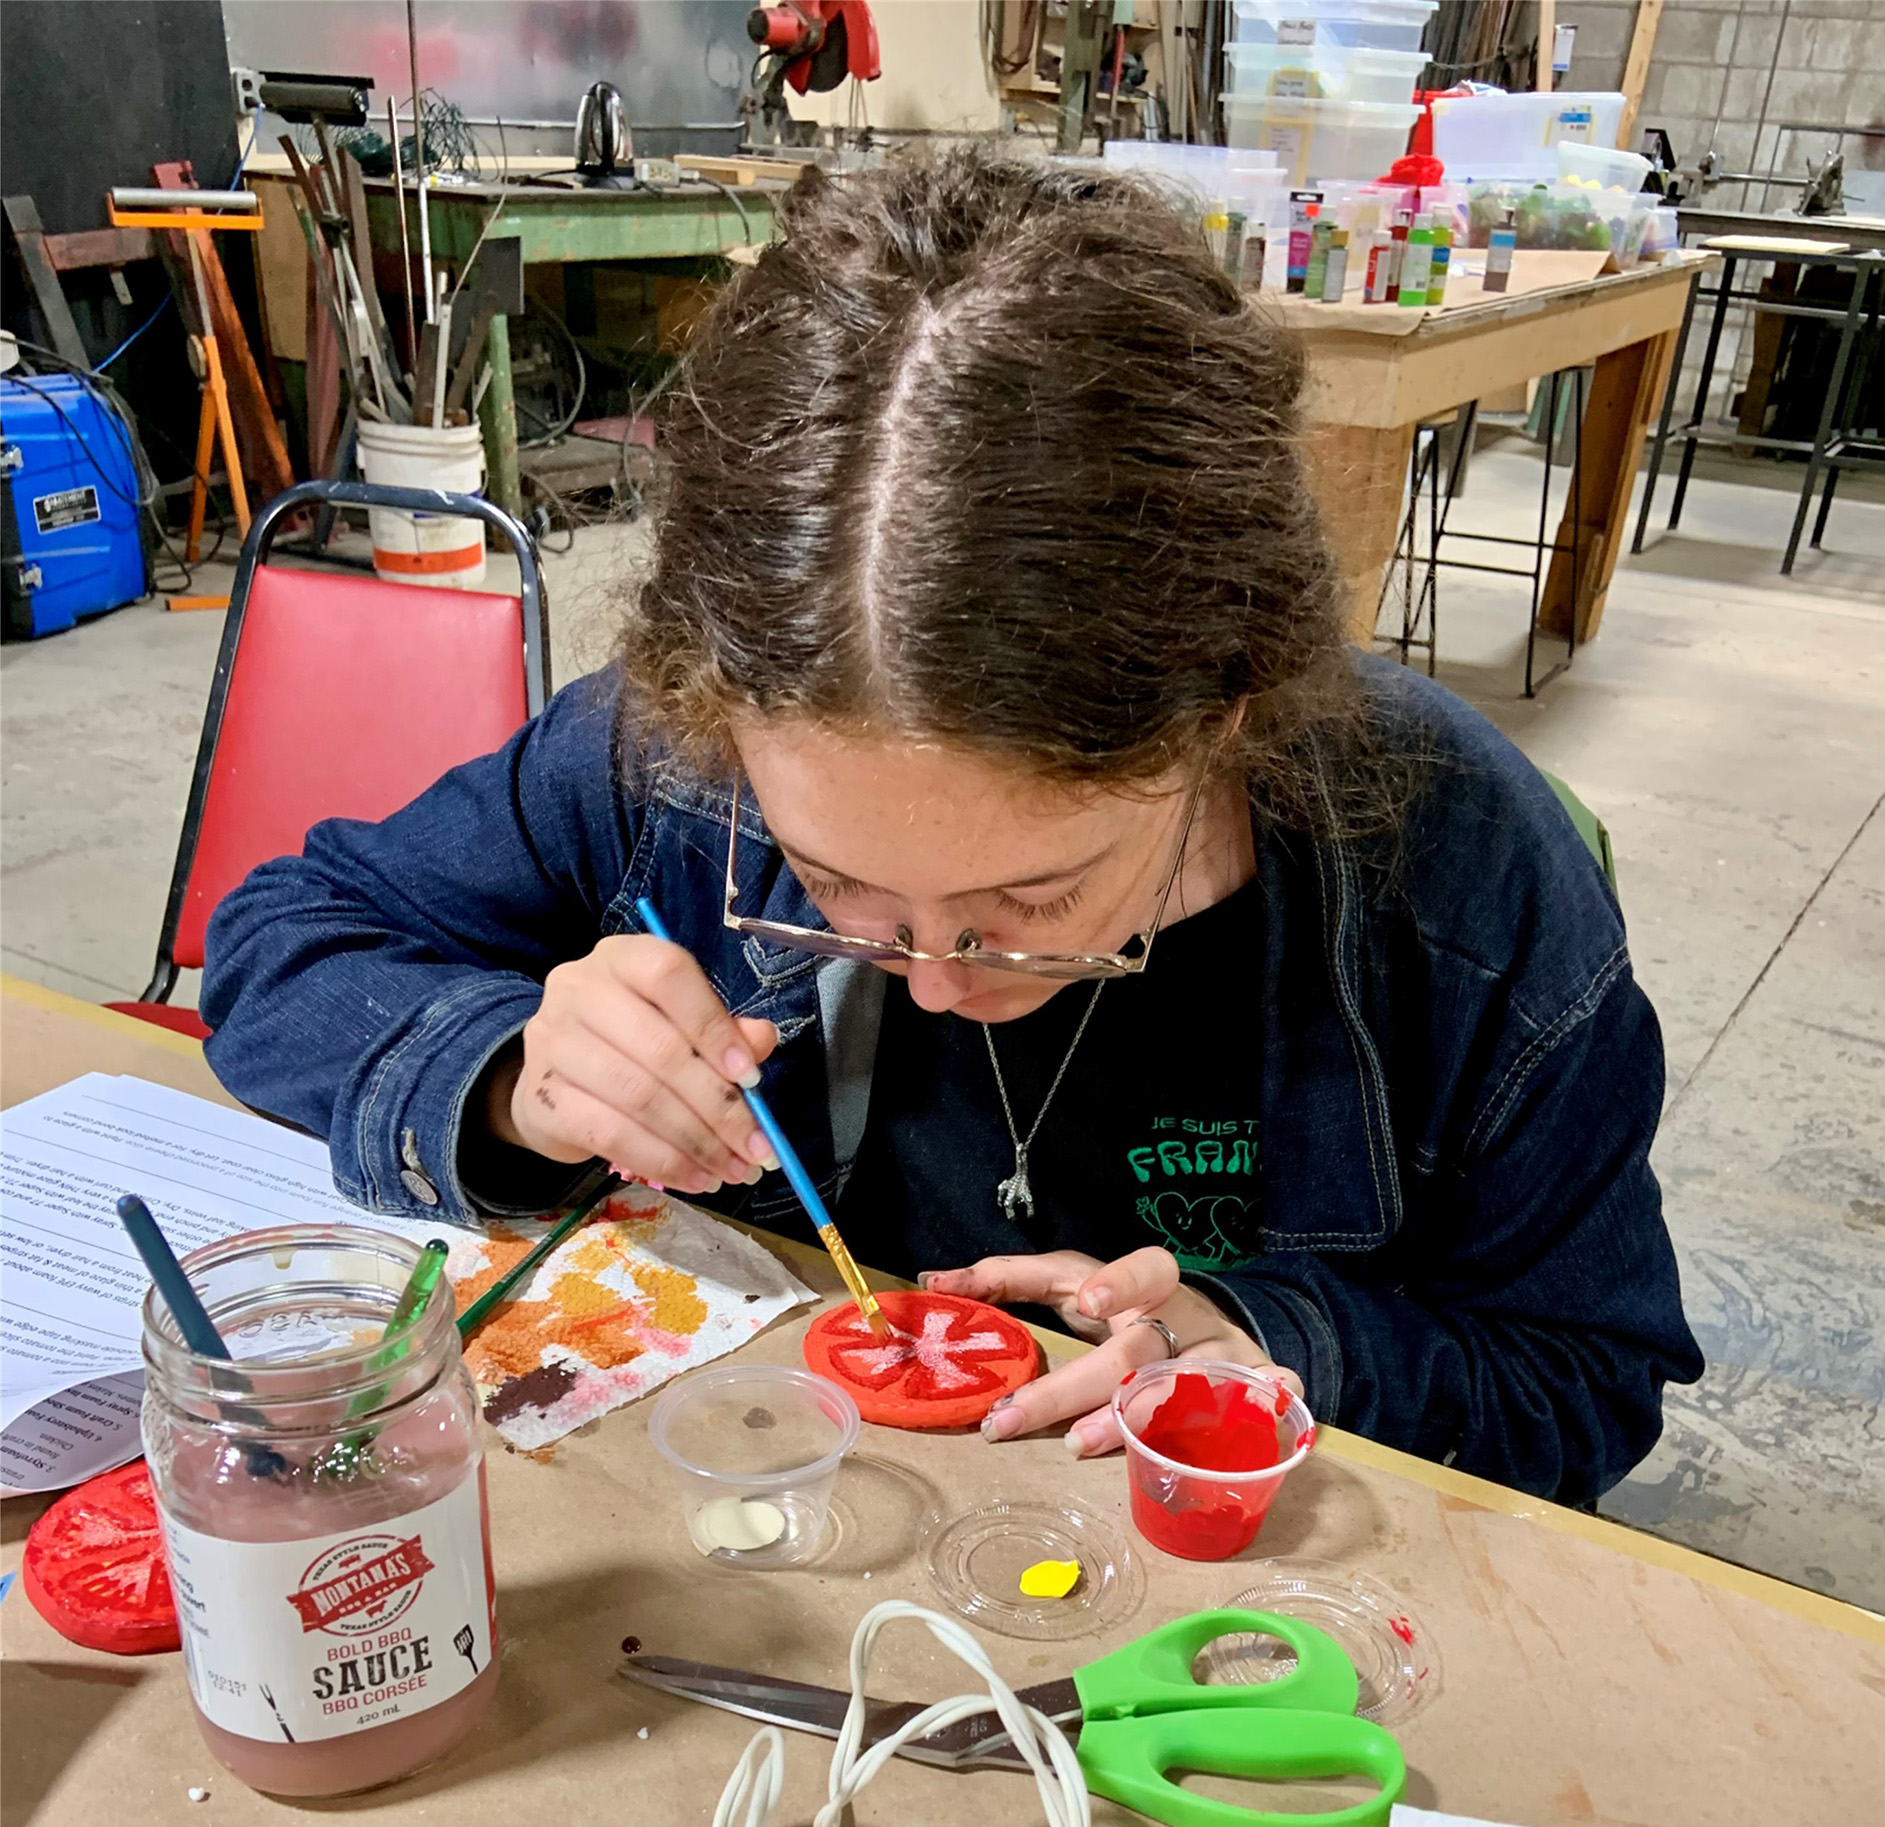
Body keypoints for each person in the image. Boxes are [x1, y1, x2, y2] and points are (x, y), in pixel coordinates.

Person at [202, 150, 1700, 1505]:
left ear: (1224, 718)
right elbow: (278, 949)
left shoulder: (1459, 876)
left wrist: (1278, 1341)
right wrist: (508, 1077)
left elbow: (1587, 1377)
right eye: (833, 882)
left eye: (1032, 901)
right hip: (792, 1494)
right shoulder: (675, 754)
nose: (929, 982)